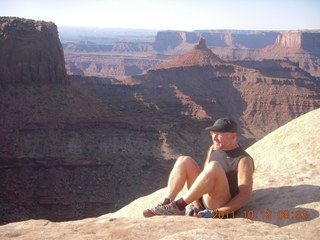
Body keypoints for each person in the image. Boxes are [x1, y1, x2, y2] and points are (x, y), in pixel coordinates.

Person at [143, 118, 254, 218]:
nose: (214, 138)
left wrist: (218, 212)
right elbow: (205, 177)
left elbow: (245, 196)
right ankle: (167, 203)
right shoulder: (213, 148)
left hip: (219, 204)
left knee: (213, 166)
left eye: (219, 134)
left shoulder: (243, 160)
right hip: (203, 200)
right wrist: (194, 204)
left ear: (233, 136)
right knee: (184, 160)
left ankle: (179, 205)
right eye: (212, 133)